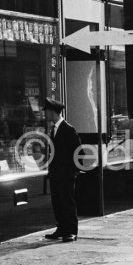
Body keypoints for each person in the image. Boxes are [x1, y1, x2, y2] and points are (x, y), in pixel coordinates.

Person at [43, 97, 81, 243]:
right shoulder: (54, 129)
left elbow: (79, 152)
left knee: (67, 202)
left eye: (46, 111)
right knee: (57, 202)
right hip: (55, 174)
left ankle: (71, 231)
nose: (45, 114)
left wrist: (73, 171)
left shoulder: (68, 129)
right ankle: (61, 228)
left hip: (66, 174)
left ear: (52, 112)